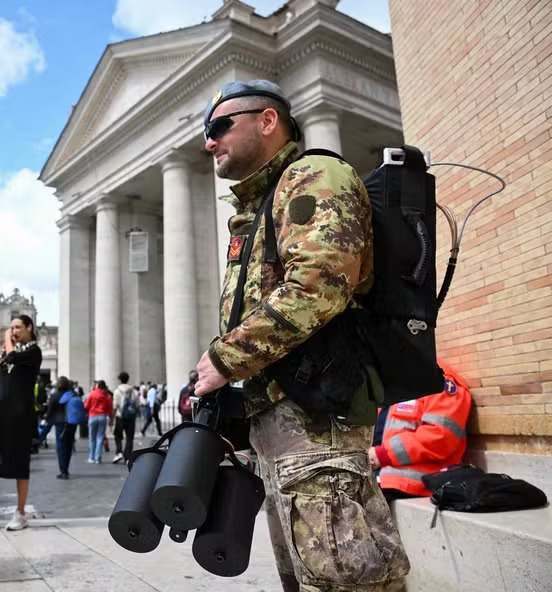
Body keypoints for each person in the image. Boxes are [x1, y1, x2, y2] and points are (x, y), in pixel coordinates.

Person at [193, 80, 410, 591]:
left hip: (319, 418)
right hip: (283, 418)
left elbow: (319, 283)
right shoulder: (262, 203)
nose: (209, 141)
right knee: (309, 575)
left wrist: (224, 359)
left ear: (268, 121)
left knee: (347, 579)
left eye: (219, 126)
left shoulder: (314, 174)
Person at [370, 361, 472, 501]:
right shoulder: (396, 380)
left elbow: (440, 437)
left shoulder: (438, 379)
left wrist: (381, 455)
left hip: (416, 483)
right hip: (382, 478)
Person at [0, 314, 42, 532]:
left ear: (29, 328)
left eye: (17, 327)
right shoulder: (8, 352)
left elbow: (13, 358)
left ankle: (21, 513)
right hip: (1, 413)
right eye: (11, 328)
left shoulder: (33, 351)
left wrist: (6, 340)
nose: (13, 331)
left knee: (20, 465)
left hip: (21, 415)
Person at [44, 376, 76, 479]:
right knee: (69, 446)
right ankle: (66, 467)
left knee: (61, 447)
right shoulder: (73, 394)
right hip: (71, 422)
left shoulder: (54, 395)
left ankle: (63, 471)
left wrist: (47, 420)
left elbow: (50, 410)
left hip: (60, 423)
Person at [84, 380, 112, 464]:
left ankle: (91, 457)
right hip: (102, 416)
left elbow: (86, 406)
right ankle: (98, 457)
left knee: (92, 438)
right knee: (100, 437)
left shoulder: (92, 394)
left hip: (92, 416)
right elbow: (109, 408)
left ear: (97, 386)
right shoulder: (106, 395)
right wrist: (110, 417)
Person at [112, 372, 137, 463]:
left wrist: (112, 418)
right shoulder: (132, 391)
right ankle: (128, 456)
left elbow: (115, 406)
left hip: (120, 416)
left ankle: (119, 452)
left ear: (120, 379)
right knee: (129, 437)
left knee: (118, 436)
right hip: (130, 417)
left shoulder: (117, 391)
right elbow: (136, 404)